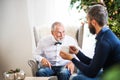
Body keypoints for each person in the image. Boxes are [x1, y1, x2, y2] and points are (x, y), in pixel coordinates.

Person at [60, 4, 120, 80]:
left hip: (114, 77)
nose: (87, 24)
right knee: (80, 71)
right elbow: (94, 64)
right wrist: (77, 53)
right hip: (109, 72)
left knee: (76, 78)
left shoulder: (103, 42)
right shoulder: (106, 34)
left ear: (94, 22)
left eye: (88, 20)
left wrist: (72, 59)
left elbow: (91, 72)